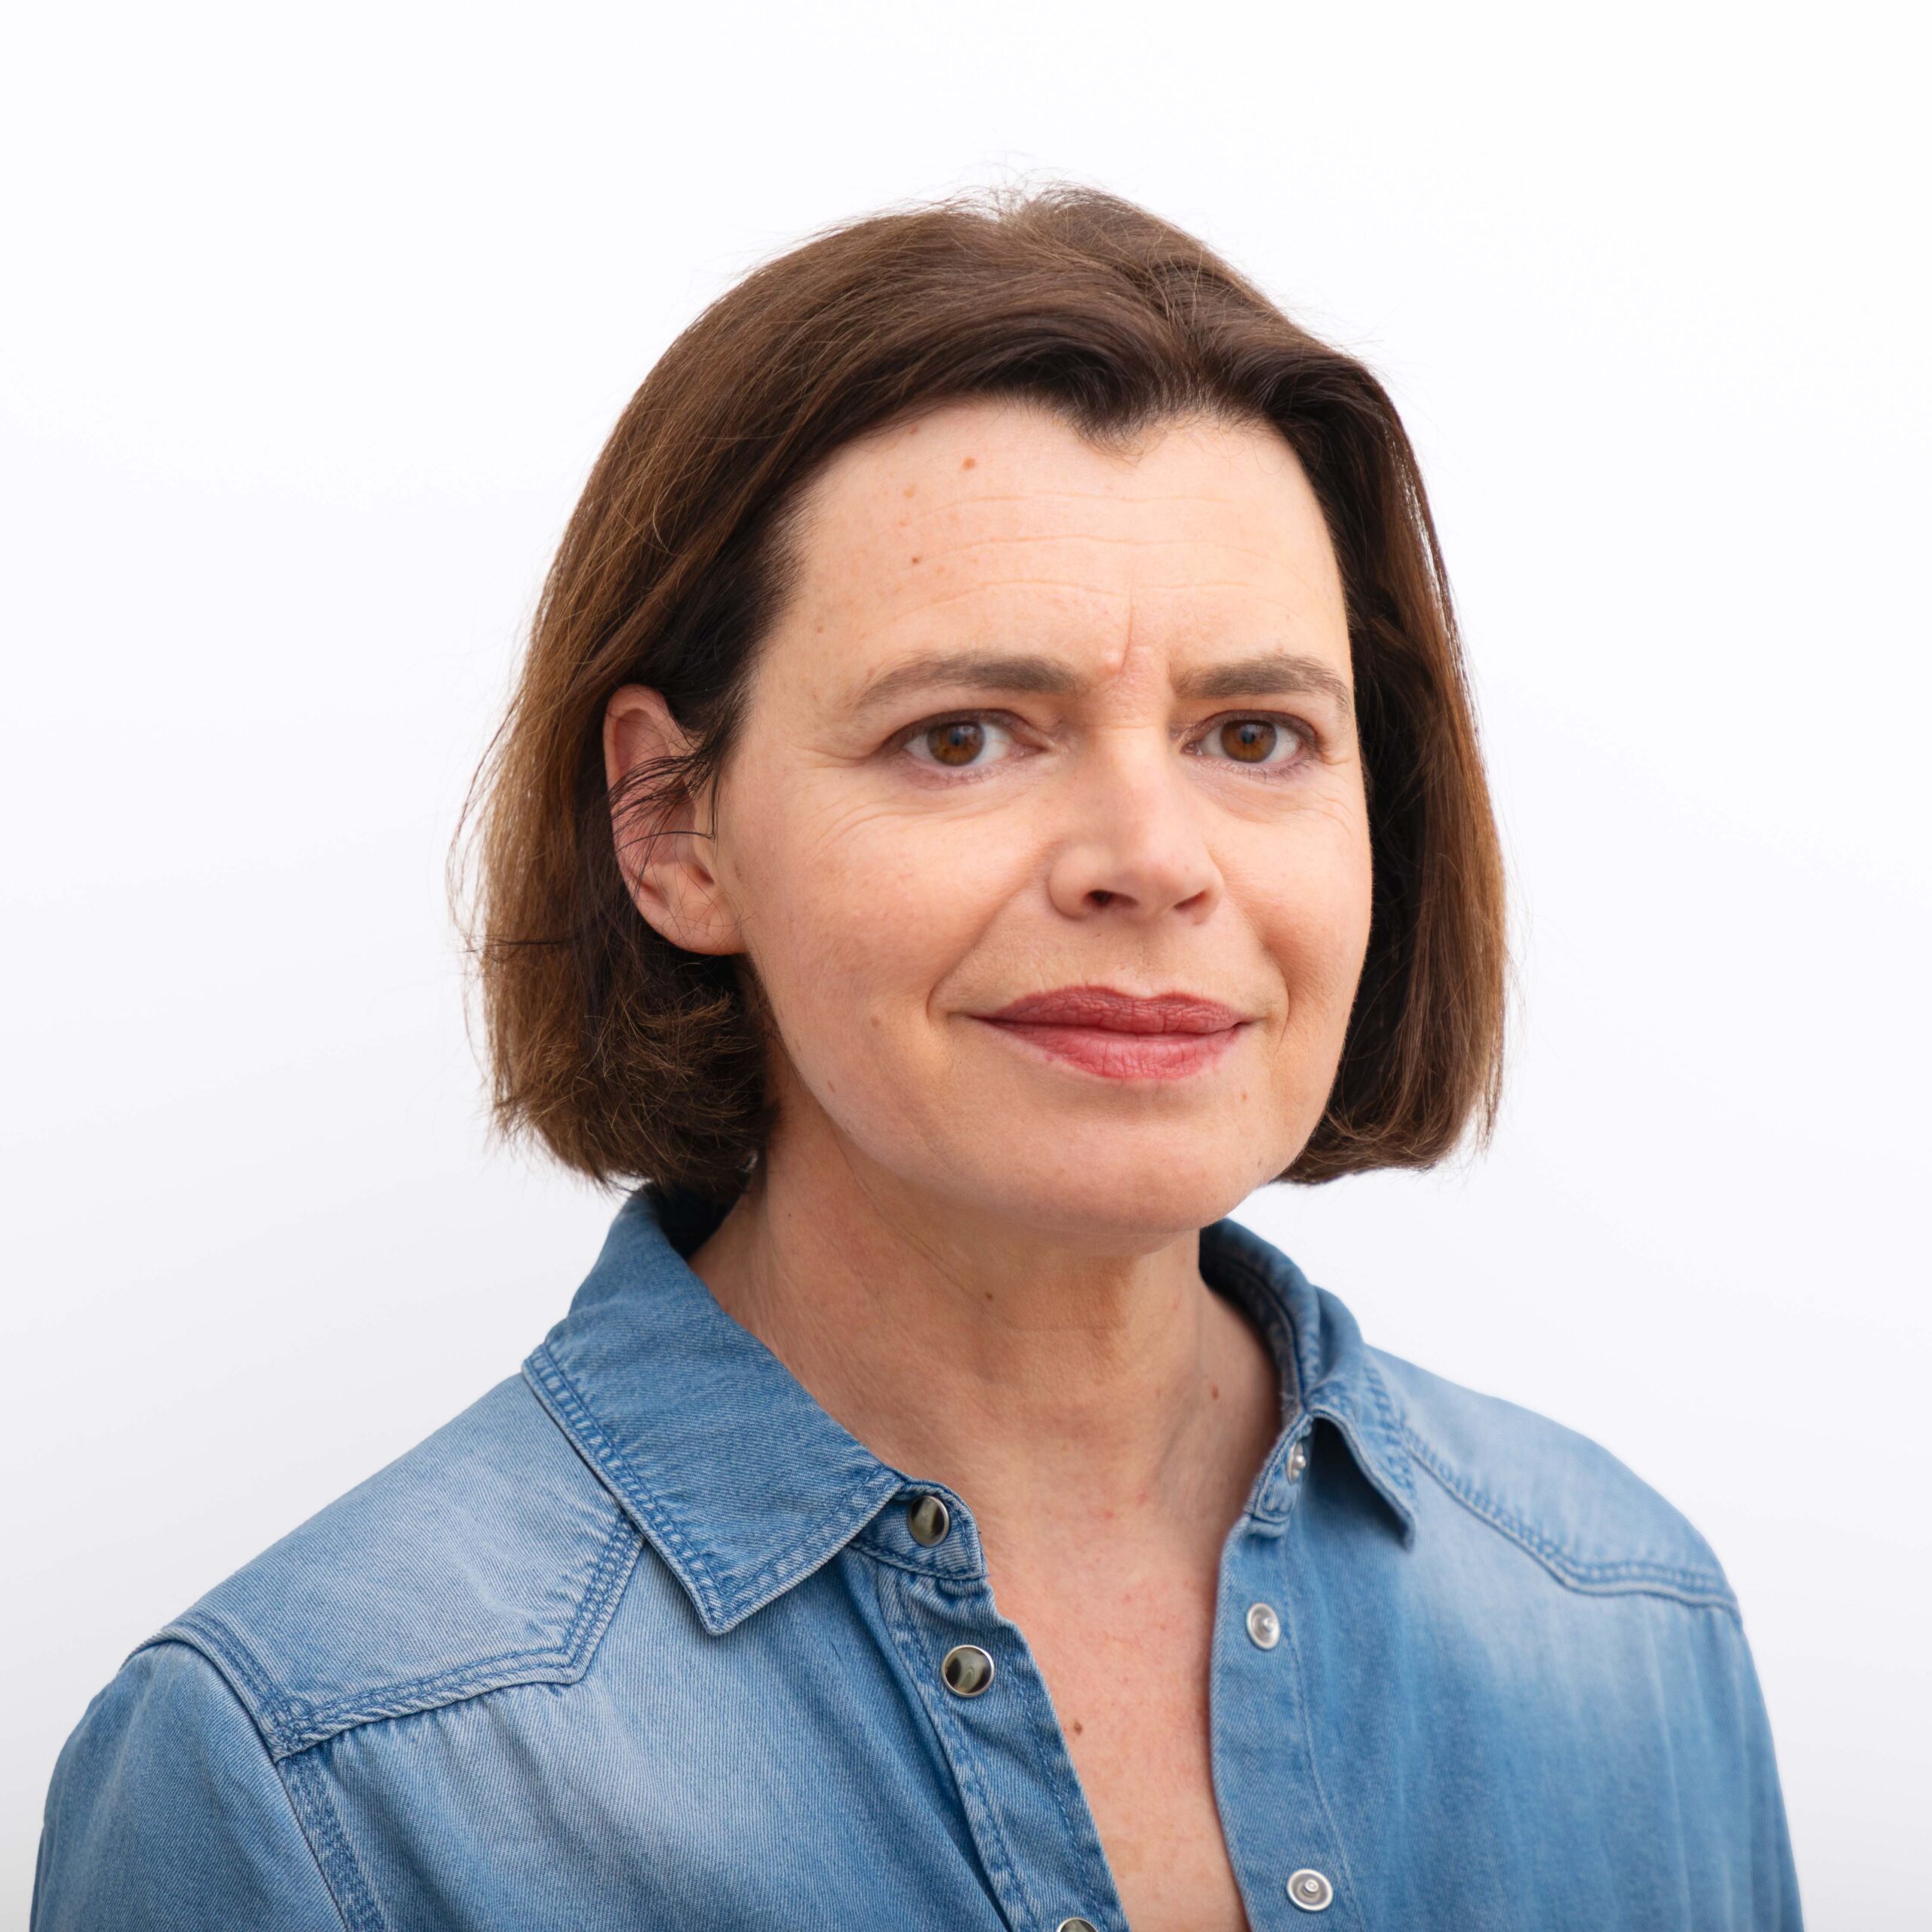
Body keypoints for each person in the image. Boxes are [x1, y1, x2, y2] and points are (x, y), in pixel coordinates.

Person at [31, 185, 1801, 1932]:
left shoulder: (1623, 1623)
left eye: (1253, 735)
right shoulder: (313, 1774)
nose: (1151, 857)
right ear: (672, 827)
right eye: (963, 736)